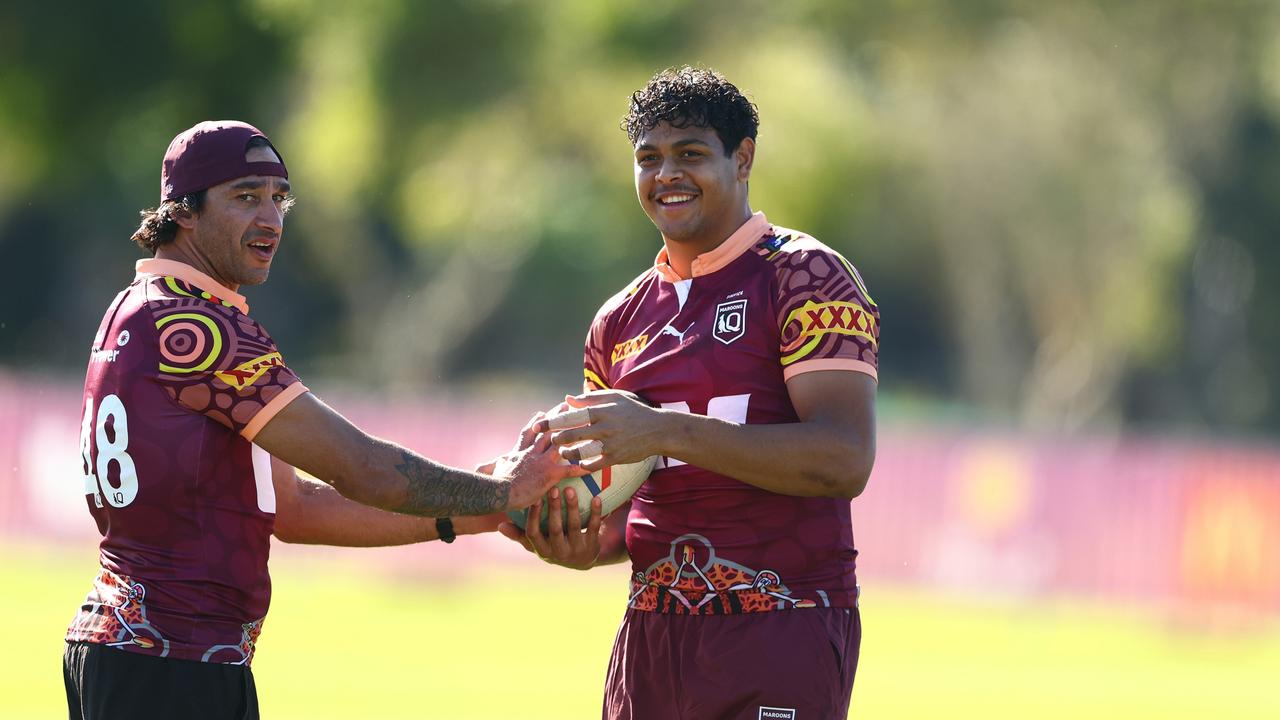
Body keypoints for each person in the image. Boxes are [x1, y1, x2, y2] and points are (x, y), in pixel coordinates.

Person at [64, 120, 580, 720]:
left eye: (279, 199)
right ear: (183, 211)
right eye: (245, 197)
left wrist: (487, 512)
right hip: (172, 665)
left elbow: (295, 509)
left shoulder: (137, 307)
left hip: (144, 653)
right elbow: (365, 469)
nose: (271, 220)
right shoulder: (201, 329)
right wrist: (504, 490)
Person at [498, 68, 879, 719]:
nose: (666, 174)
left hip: (781, 625)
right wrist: (571, 537)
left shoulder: (807, 274)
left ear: (744, 157)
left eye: (690, 155)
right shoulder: (616, 322)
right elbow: (620, 511)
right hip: (652, 637)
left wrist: (667, 432)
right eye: (648, 159)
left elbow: (843, 459)